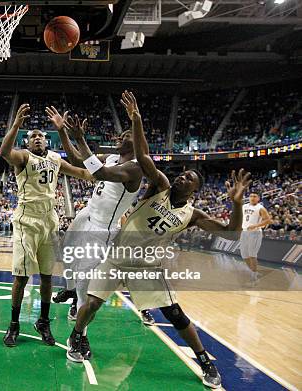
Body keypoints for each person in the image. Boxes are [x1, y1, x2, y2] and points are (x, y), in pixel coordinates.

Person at [65, 91, 251, 389]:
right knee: (92, 304)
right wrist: (136, 119)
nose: (181, 178)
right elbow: (143, 157)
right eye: (182, 175)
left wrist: (238, 204)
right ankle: (76, 336)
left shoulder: (193, 214)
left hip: (146, 267)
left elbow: (232, 233)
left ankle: (203, 360)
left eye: (189, 178)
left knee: (175, 314)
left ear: (194, 191)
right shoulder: (160, 186)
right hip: (116, 256)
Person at [44, 105, 153, 361]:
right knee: (67, 255)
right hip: (86, 215)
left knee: (86, 287)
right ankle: (71, 293)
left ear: (135, 142)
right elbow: (75, 159)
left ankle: (80, 335)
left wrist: (80, 137)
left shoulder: (135, 169)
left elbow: (99, 173)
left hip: (102, 230)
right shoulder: (111, 157)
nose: (119, 138)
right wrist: (62, 132)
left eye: (125, 136)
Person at [0, 103, 97, 347]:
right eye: (32, 136)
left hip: (49, 221)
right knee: (21, 277)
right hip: (26, 221)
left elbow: (83, 173)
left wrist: (106, 173)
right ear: (28, 142)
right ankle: (14, 324)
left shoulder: (55, 159)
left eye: (41, 136)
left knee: (47, 277)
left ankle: (43, 321)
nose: (37, 139)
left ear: (47, 141)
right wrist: (15, 125)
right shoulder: (23, 157)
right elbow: (4, 152)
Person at [240, 192, 271, 275]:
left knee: (252, 255)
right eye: (251, 196)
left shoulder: (261, 208)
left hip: (255, 233)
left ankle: (253, 274)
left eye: (255, 196)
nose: (252, 198)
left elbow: (268, 220)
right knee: (244, 255)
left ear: (258, 198)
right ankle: (253, 271)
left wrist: (255, 225)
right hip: (244, 232)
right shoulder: (244, 206)